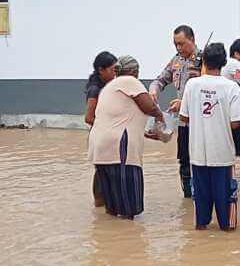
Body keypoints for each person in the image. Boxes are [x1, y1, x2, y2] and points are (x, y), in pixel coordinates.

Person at [179, 42, 240, 231]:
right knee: (228, 221)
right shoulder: (231, 87)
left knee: (200, 219)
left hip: (198, 154)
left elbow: (184, 117)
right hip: (223, 155)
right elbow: (236, 122)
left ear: (204, 61)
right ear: (224, 63)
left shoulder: (192, 85)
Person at [90, 56, 164, 219]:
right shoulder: (129, 81)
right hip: (119, 149)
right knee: (128, 209)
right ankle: (129, 241)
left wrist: (143, 132)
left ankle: (109, 241)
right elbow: (148, 106)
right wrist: (160, 116)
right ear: (134, 71)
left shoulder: (110, 87)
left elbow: (120, 116)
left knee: (112, 208)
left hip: (101, 149)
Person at [149, 25, 202, 198]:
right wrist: (154, 89)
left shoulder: (204, 60)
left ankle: (201, 195)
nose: (179, 48)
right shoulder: (176, 60)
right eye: (175, 44)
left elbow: (206, 91)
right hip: (184, 122)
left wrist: (184, 102)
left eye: (182, 44)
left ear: (192, 40)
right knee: (184, 160)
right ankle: (187, 197)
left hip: (202, 121)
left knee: (202, 160)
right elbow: (160, 79)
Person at [85, 51, 118, 207]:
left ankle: (106, 204)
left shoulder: (109, 86)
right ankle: (99, 204)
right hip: (101, 136)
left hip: (108, 134)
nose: (115, 73)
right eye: (112, 70)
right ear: (101, 70)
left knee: (108, 170)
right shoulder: (95, 90)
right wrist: (108, 125)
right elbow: (88, 118)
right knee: (102, 171)